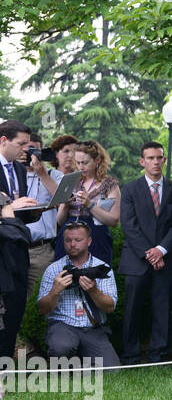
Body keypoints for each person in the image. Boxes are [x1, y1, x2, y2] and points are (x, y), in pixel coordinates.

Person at [118, 142, 172, 365]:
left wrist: (161, 250)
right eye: (150, 158)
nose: (155, 162)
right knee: (132, 310)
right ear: (142, 162)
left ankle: (159, 355)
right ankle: (130, 356)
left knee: (162, 309)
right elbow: (128, 225)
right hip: (137, 260)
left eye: (159, 158)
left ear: (164, 160)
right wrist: (149, 254)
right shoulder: (129, 189)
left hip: (166, 259)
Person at [38, 220, 120, 367]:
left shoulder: (102, 268)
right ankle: (63, 369)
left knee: (111, 371)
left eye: (78, 240)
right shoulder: (53, 269)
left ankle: (83, 365)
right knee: (61, 347)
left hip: (93, 328)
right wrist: (55, 291)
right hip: (63, 325)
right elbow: (42, 309)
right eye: (68, 240)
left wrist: (94, 291)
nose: (72, 244)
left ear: (89, 241)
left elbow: (110, 307)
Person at [0, 120, 35, 361]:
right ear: (3, 140)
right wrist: (10, 206)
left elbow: (18, 213)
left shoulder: (21, 170)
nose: (26, 150)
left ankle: (4, 368)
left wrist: (38, 209)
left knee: (15, 310)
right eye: (21, 144)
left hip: (18, 249)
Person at [55, 140, 120, 264]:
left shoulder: (110, 185)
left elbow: (114, 221)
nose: (80, 167)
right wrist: (65, 204)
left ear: (97, 160)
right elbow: (59, 221)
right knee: (65, 278)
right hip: (69, 236)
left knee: (95, 279)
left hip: (96, 237)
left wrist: (89, 205)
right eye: (78, 162)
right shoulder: (70, 181)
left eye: (85, 162)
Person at [22, 134, 62, 300]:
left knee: (41, 299)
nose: (34, 154)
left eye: (37, 150)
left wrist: (42, 174)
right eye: (29, 149)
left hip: (41, 250)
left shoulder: (54, 174)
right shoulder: (11, 175)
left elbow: (62, 201)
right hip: (14, 248)